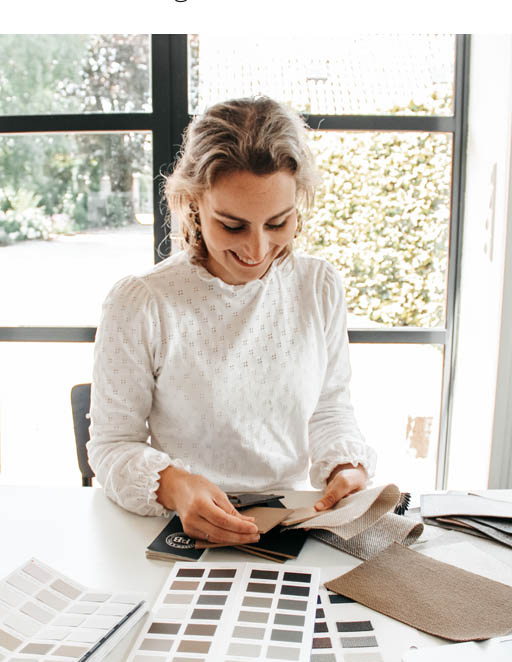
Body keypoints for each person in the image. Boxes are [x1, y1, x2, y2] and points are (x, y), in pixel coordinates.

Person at [88, 96, 376, 547]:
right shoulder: (141, 302)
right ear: (193, 205)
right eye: (233, 225)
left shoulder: (318, 285)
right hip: (175, 525)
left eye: (278, 223)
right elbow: (111, 447)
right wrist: (177, 487)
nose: (258, 250)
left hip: (293, 523)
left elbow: (330, 408)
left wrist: (345, 467)